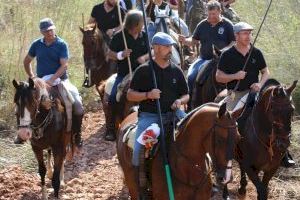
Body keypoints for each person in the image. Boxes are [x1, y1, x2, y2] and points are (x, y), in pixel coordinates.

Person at [215, 21, 295, 167]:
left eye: (250, 33)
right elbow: (218, 76)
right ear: (236, 35)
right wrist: (235, 76)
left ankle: (284, 155)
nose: (248, 36)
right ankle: (226, 157)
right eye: (245, 33)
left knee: (274, 116)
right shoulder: (227, 54)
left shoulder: (256, 52)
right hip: (236, 94)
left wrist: (260, 84)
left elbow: (266, 72)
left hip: (255, 93)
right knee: (227, 122)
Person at [127, 32, 189, 198]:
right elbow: (130, 95)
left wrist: (179, 101)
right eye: (166, 47)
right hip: (150, 117)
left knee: (195, 133)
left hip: (174, 114)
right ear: (155, 48)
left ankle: (204, 175)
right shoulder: (144, 70)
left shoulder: (176, 70)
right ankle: (141, 184)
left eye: (170, 46)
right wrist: (148, 95)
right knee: (139, 147)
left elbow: (186, 95)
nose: (170, 50)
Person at [21, 18, 84, 148]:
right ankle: (25, 134)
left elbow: (64, 65)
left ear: (53, 28)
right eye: (46, 31)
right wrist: (32, 76)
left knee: (77, 105)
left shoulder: (61, 44)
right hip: (41, 81)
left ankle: (77, 134)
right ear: (42, 32)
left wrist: (52, 79)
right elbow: (26, 61)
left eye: (51, 29)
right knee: (26, 102)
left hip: (60, 80)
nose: (49, 33)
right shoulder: (36, 44)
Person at [104, 10, 150, 141]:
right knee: (113, 97)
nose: (143, 24)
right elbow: (109, 53)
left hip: (143, 72)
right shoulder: (119, 36)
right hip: (125, 73)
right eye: (142, 22)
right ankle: (110, 129)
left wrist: (144, 57)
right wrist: (121, 55)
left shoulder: (144, 35)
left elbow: (151, 51)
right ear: (134, 24)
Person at [179, 0, 235, 96]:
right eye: (209, 14)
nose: (211, 17)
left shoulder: (228, 25)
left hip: (222, 61)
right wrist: (184, 40)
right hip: (203, 59)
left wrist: (224, 51)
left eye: (213, 14)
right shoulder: (202, 25)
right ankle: (190, 103)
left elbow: (234, 42)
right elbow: (193, 41)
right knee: (191, 76)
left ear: (220, 11)